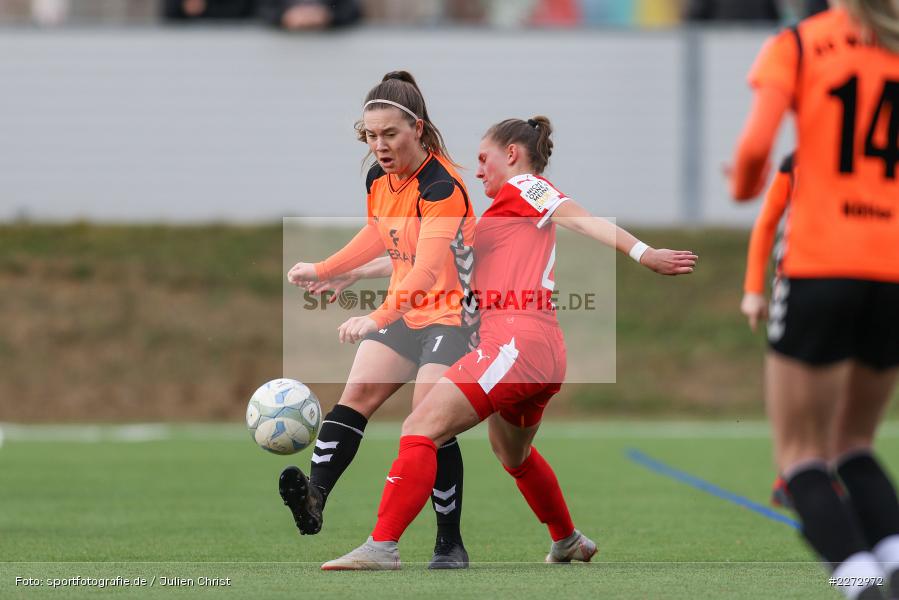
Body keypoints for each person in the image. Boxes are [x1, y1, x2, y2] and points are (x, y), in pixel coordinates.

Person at [318, 115, 698, 570]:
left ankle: (382, 546)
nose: (477, 171)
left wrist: (644, 253)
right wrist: (357, 271)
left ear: (512, 154)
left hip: (514, 343)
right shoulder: (499, 218)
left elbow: (576, 215)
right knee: (512, 453)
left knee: (420, 428)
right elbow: (430, 259)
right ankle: (568, 540)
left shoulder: (525, 188)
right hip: (539, 350)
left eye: (484, 158)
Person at [730, 2, 899, 598]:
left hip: (822, 266)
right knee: (856, 444)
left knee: (801, 457)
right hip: (892, 271)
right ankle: (893, 556)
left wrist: (742, 184)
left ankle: (859, 580)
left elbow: (755, 149)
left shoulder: (801, 44)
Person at [283, 70, 478, 569]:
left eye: (390, 134)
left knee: (427, 424)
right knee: (356, 398)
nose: (380, 145)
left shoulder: (442, 187)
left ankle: (448, 544)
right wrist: (330, 269)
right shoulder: (378, 177)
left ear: (417, 128)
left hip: (452, 318)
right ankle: (314, 498)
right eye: (370, 136)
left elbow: (430, 267)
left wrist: (378, 316)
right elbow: (380, 235)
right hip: (407, 311)